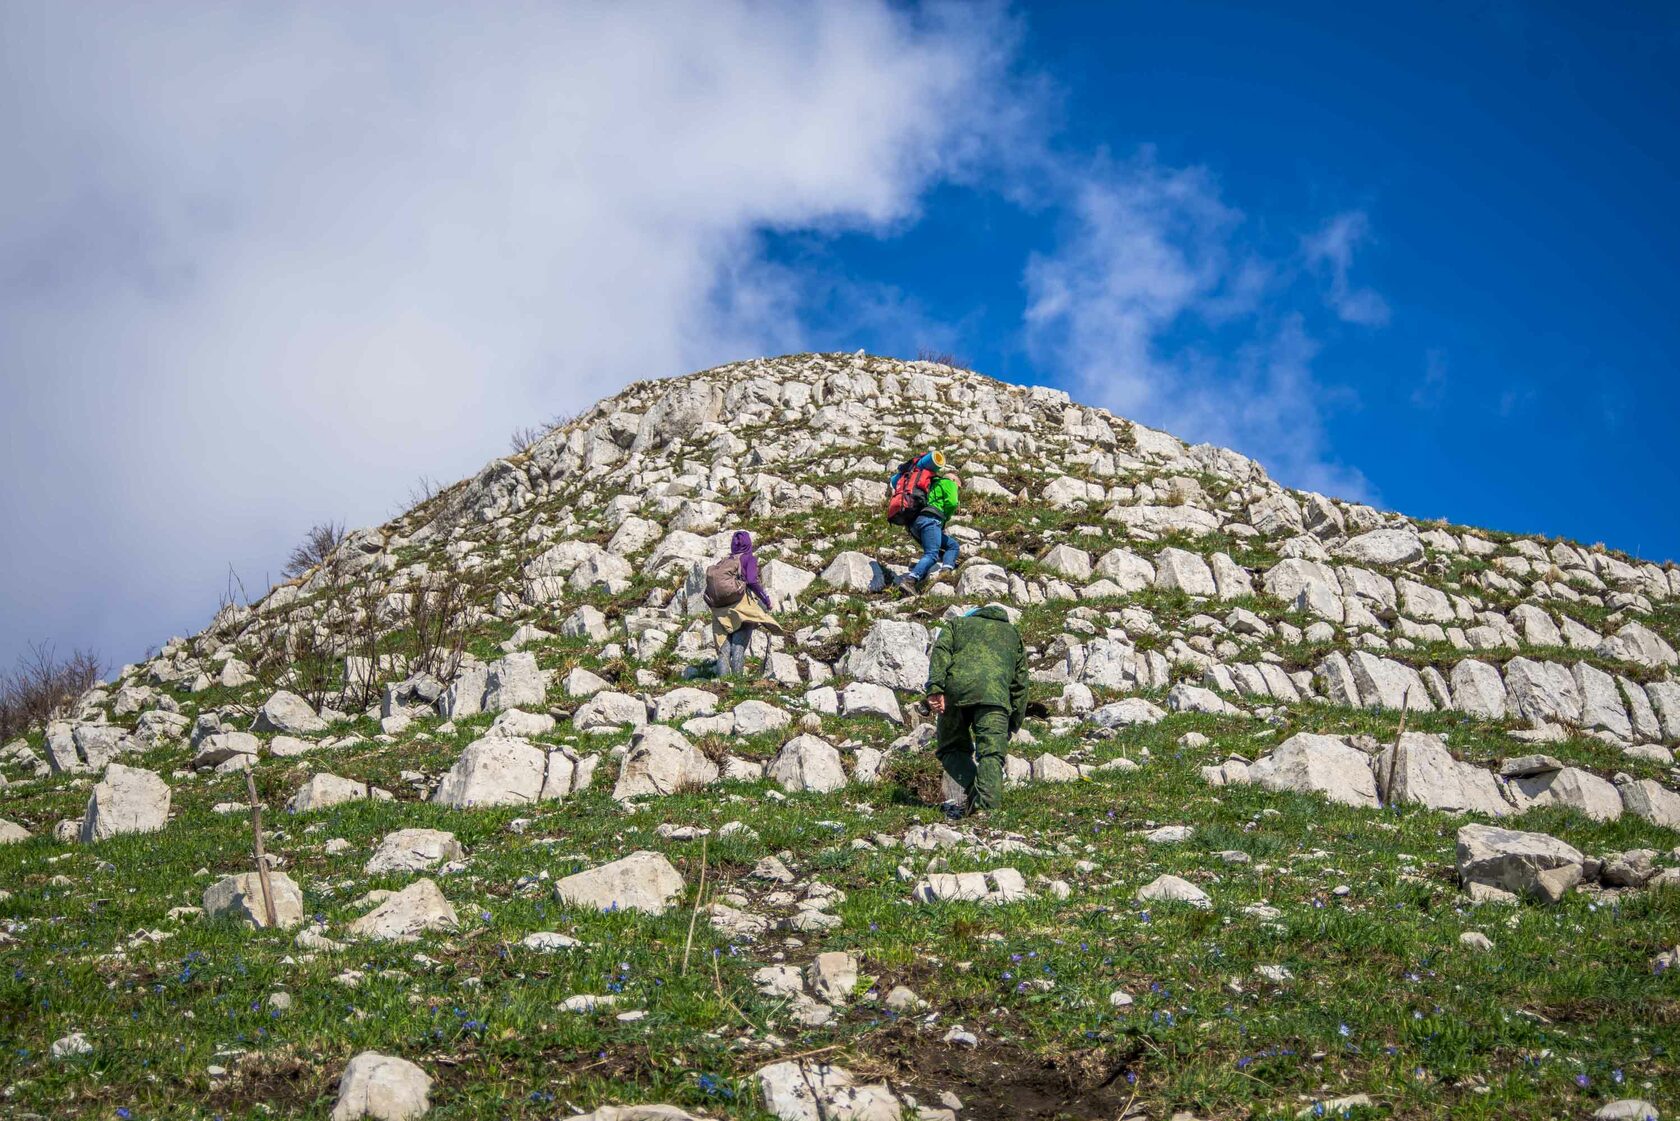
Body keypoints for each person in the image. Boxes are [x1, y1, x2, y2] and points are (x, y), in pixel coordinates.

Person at [925, 603, 1028, 817]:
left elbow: (940, 653)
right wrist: (1014, 720)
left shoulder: (957, 624)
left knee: (950, 748)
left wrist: (935, 688)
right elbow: (1020, 683)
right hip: (996, 698)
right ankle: (986, 809)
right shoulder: (1012, 633)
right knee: (991, 754)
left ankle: (976, 793)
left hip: (955, 694)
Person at [706, 530, 782, 677]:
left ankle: (724, 683)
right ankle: (737, 682)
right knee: (738, 646)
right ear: (748, 543)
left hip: (720, 610)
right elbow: (752, 581)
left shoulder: (725, 561)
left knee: (724, 648)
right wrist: (766, 599)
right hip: (740, 608)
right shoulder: (748, 559)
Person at [887, 451, 961, 594]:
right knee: (932, 554)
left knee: (952, 546)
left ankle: (946, 570)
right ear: (954, 481)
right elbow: (952, 502)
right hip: (930, 521)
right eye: (959, 486)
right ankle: (910, 580)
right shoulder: (948, 483)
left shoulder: (930, 484)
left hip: (915, 525)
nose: (958, 489)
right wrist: (946, 516)